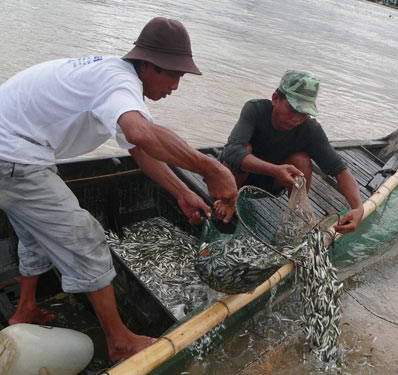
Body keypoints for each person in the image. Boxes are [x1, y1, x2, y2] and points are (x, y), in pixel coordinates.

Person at [0, 17, 237, 361]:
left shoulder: (115, 79)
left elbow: (140, 146)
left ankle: (25, 309)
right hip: (12, 156)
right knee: (87, 237)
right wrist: (212, 168)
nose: (175, 85)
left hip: (19, 152)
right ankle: (119, 341)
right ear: (146, 64)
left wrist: (181, 192)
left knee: (35, 232)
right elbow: (142, 134)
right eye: (173, 73)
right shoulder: (118, 82)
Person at [216, 70, 363, 233]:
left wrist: (358, 208)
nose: (297, 119)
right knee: (244, 149)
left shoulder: (310, 130)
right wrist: (275, 170)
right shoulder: (255, 110)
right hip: (233, 179)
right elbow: (231, 151)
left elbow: (340, 170)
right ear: (275, 99)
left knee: (301, 160)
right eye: (292, 109)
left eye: (304, 113)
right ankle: (228, 201)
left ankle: (297, 216)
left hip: (270, 185)